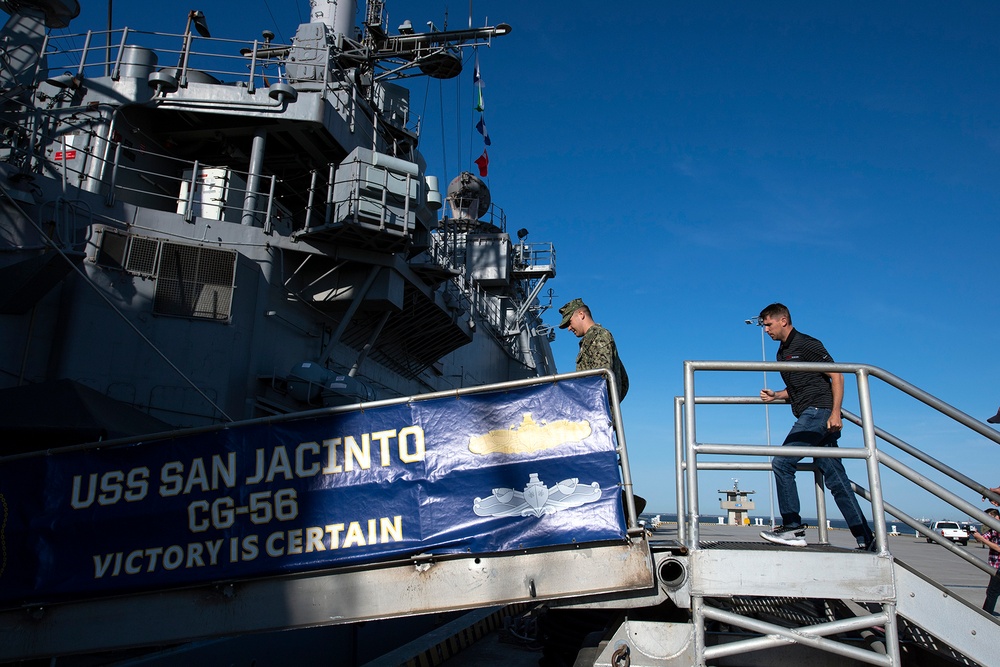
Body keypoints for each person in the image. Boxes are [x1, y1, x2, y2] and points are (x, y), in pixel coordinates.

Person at [756, 303, 876, 550]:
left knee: (782, 462)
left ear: (783, 321)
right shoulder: (782, 353)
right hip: (810, 411)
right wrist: (777, 395)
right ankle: (867, 539)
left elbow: (837, 375)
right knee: (837, 480)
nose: (766, 329)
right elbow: (802, 387)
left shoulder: (808, 344)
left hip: (819, 413)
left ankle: (793, 527)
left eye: (768, 324)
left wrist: (835, 413)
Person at [558, 298, 629, 400]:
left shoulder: (599, 336)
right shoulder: (590, 340)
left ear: (581, 314)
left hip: (598, 409)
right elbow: (624, 381)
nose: (569, 328)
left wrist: (609, 404)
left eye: (569, 322)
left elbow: (601, 378)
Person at [970, 508, 1000, 616]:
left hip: (998, 566)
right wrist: (976, 535)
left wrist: (982, 539)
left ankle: (986, 616)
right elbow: (983, 538)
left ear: (993, 516)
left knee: (992, 592)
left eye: (987, 518)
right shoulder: (993, 529)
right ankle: (986, 614)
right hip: (994, 566)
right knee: (992, 591)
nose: (985, 522)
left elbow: (998, 548)